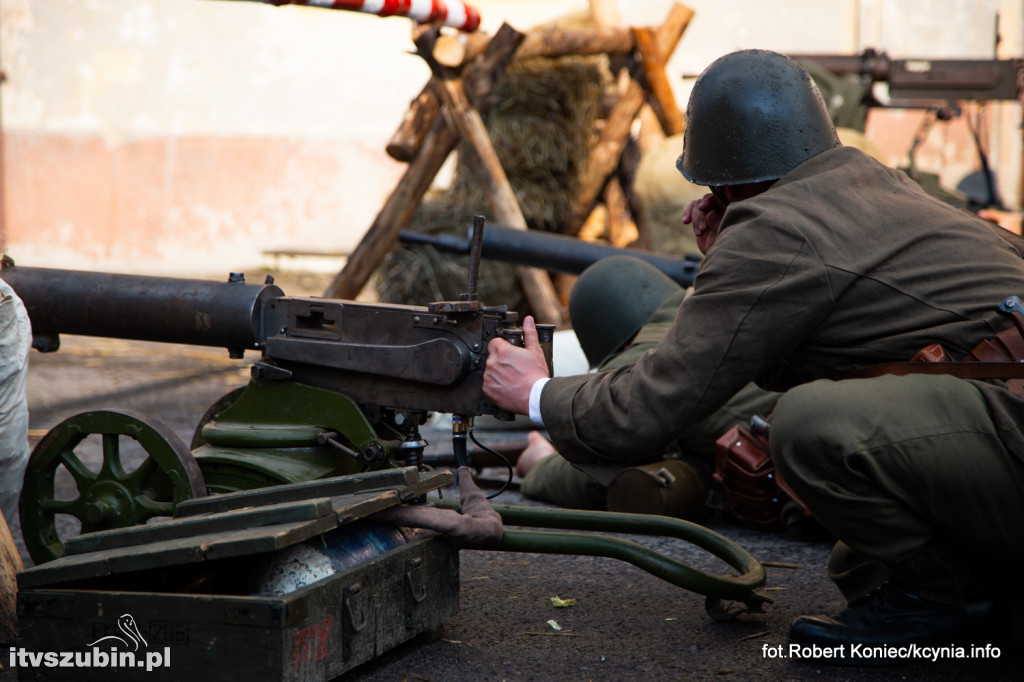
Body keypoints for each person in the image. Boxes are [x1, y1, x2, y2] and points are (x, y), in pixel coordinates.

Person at [483, 48, 1024, 658]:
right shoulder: (867, 180)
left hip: (1009, 423)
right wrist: (729, 257)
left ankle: (952, 604)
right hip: (998, 411)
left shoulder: (775, 228)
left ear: (720, 177)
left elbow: (644, 412)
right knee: (861, 562)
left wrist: (533, 392)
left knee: (812, 428)